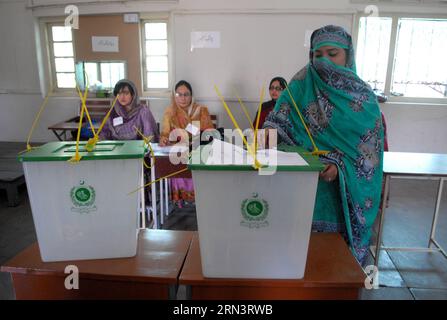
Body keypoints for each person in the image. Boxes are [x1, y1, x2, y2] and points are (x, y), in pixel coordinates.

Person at [263, 25, 384, 265]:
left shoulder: (364, 99)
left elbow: (369, 159)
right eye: (317, 55)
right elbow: (276, 128)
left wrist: (340, 167)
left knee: (333, 269)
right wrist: (268, 136)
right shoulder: (299, 86)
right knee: (295, 267)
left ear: (347, 57)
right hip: (298, 193)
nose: (324, 61)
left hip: (340, 201)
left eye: (332, 53)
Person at [159, 80, 214, 207]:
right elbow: (165, 134)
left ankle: (200, 199)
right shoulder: (170, 112)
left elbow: (209, 134)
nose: (183, 98)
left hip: (198, 150)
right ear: (174, 95)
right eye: (179, 94)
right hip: (178, 152)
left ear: (191, 95)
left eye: (186, 94)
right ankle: (180, 197)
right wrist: (164, 139)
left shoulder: (201, 110)